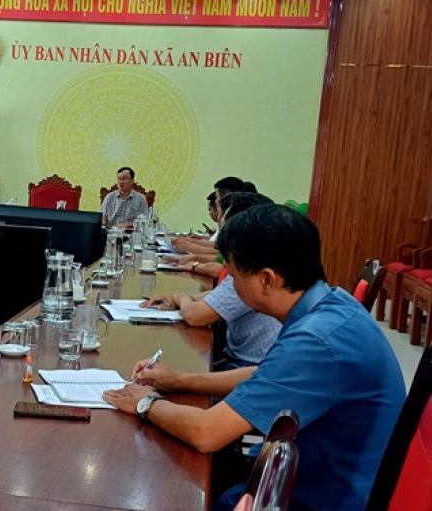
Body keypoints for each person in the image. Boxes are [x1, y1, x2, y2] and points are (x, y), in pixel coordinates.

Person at [104, 204, 405, 510]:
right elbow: (268, 374)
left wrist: (145, 403)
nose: (232, 286)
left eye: (234, 277)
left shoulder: (315, 341)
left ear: (266, 279)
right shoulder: (331, 305)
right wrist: (179, 380)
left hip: (321, 497)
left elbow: (206, 433)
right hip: (307, 471)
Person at [147, 193, 279, 369]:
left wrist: (180, 297)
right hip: (242, 363)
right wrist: (178, 298)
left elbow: (195, 316)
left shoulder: (251, 271)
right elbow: (220, 294)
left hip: (245, 366)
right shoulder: (257, 263)